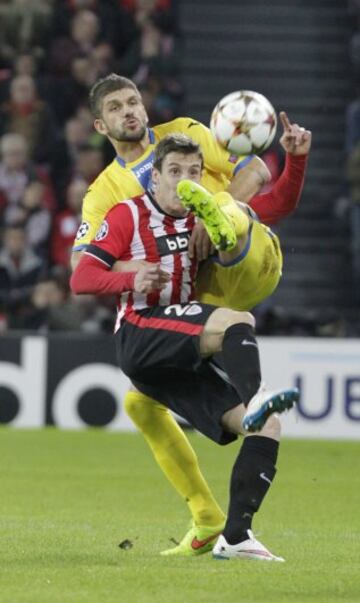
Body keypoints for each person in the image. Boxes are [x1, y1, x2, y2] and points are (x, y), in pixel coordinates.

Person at [71, 73, 311, 556]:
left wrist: (291, 162)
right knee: (153, 402)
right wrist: (133, 271)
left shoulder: (189, 133)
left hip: (237, 264)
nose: (130, 112)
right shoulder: (113, 199)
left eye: (134, 101)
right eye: (116, 108)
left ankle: (220, 220)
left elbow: (260, 174)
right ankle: (218, 525)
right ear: (101, 124)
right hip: (176, 315)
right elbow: (82, 269)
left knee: (227, 209)